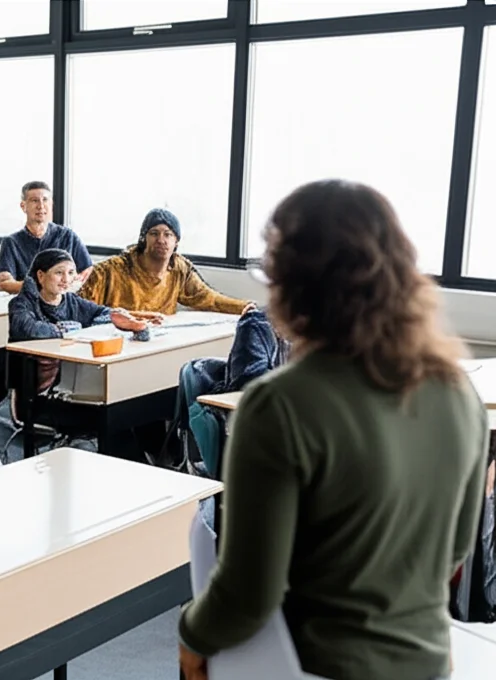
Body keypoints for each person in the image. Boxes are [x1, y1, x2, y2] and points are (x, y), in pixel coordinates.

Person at [178, 180, 489, 680]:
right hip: (426, 662)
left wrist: (192, 635)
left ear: (290, 284)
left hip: (310, 665)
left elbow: (248, 593)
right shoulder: (459, 394)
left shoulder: (278, 405)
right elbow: (454, 551)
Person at [9, 248, 146, 394]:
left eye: (71, 272)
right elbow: (27, 328)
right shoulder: (21, 303)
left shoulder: (72, 301)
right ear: (41, 276)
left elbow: (104, 313)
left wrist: (95, 327)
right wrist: (66, 330)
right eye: (59, 273)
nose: (66, 280)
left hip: (71, 371)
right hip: (33, 377)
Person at [80, 208, 254, 316]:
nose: (161, 240)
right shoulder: (111, 270)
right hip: (116, 340)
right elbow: (80, 304)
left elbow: (208, 298)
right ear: (144, 239)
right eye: (154, 233)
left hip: (159, 341)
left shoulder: (179, 270)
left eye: (168, 234)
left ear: (176, 241)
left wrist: (244, 307)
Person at [0, 181, 92, 295]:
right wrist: (46, 287)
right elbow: (6, 283)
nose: (41, 206)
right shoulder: (11, 242)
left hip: (64, 301)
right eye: (34, 200)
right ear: (23, 206)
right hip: (28, 303)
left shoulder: (68, 236)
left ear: (51, 204)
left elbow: (87, 271)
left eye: (45, 200)